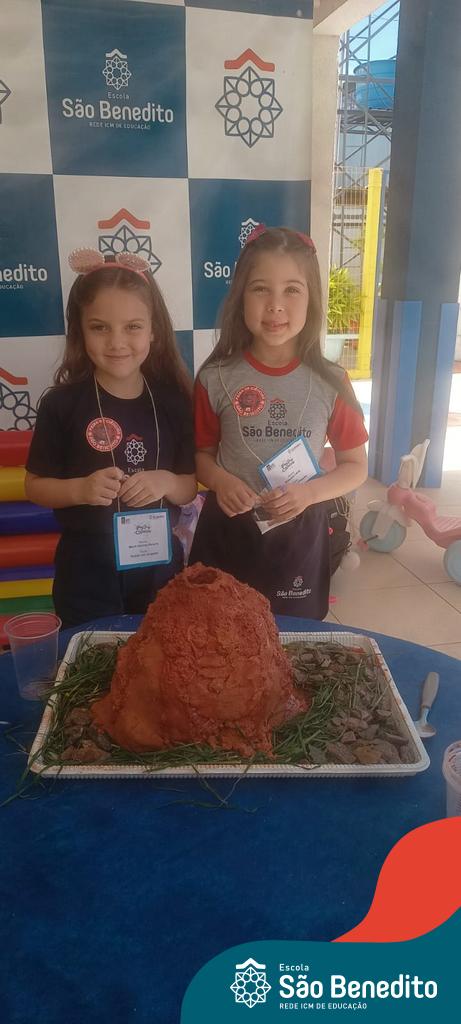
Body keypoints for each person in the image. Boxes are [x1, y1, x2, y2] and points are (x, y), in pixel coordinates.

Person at [189, 225, 368, 619]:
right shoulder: (215, 378)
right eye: (260, 289)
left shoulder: (332, 381)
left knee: (292, 639)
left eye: (292, 290)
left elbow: (356, 467)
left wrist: (310, 493)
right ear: (240, 296)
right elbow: (201, 456)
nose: (275, 305)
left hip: (298, 535)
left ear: (312, 298)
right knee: (218, 631)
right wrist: (221, 481)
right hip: (228, 531)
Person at [25, 249, 196, 627]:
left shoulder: (174, 402)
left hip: (158, 566)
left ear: (153, 330)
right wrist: (80, 489)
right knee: (90, 654)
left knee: (158, 654)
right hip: (85, 570)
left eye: (133, 327)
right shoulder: (61, 404)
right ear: (80, 330)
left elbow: (188, 486)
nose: (117, 342)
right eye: (100, 327)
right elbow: (34, 486)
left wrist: (166, 482)